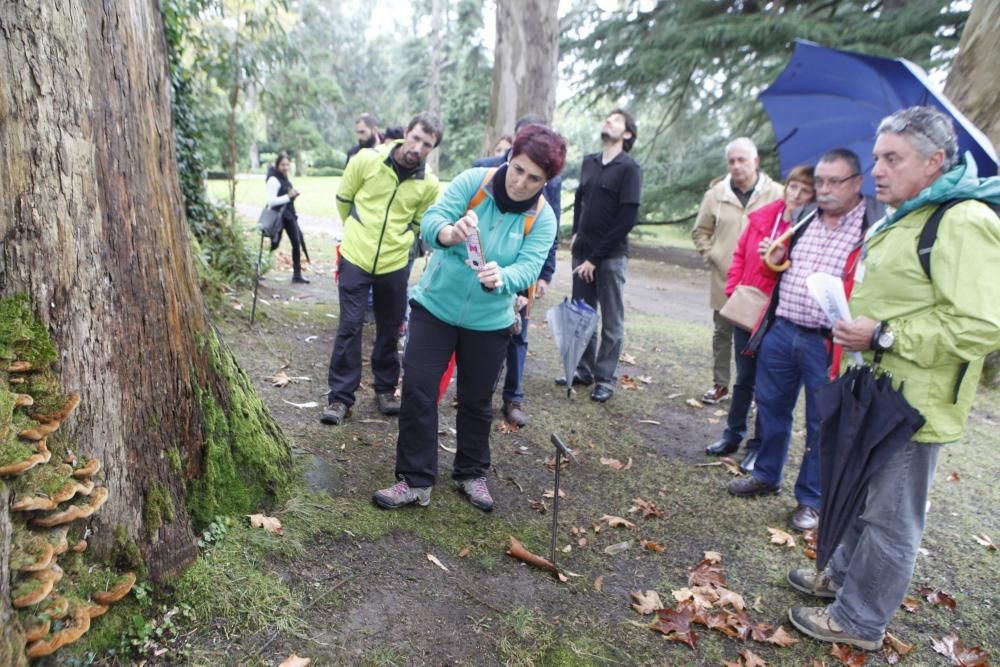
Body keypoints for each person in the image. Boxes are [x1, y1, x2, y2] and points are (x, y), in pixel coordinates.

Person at [786, 106, 1000, 650]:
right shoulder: (905, 213)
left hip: (915, 403)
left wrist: (884, 335)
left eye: (891, 158)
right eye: (877, 157)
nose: (877, 169)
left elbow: (980, 324)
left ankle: (859, 620)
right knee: (862, 495)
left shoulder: (963, 221)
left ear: (933, 163)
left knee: (891, 517)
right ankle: (839, 578)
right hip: (878, 389)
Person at [371, 124, 566, 512]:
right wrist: (447, 232)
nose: (522, 182)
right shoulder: (474, 183)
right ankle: (414, 479)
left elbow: (531, 265)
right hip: (436, 307)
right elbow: (432, 217)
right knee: (419, 389)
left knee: (477, 401)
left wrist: (505, 277)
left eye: (535, 178)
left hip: (490, 321)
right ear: (509, 158)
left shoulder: (542, 218)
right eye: (518, 169)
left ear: (547, 181)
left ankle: (471, 473)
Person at [727, 148, 884, 532]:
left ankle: (811, 499)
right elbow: (779, 268)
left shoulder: (872, 224)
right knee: (771, 407)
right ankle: (766, 474)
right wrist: (774, 257)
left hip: (826, 343)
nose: (824, 189)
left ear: (856, 183)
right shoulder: (805, 217)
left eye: (835, 181)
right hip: (783, 329)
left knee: (822, 421)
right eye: (820, 182)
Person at [321, 113, 443, 426]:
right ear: (405, 133)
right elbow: (343, 199)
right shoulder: (366, 160)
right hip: (356, 255)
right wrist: (357, 228)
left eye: (427, 144)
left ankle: (386, 389)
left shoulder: (428, 185)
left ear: (432, 149)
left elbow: (419, 223)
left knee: (390, 328)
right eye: (415, 138)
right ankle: (340, 397)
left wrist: (401, 248)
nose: (418, 147)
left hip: (394, 263)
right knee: (350, 324)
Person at [705, 166, 815, 472]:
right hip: (748, 308)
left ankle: (759, 446)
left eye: (804, 190)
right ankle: (732, 435)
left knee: (771, 388)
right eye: (792, 187)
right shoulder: (765, 216)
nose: (795, 194)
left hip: (780, 315)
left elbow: (796, 272)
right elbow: (741, 253)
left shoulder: (810, 226)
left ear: (814, 196)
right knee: (744, 379)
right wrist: (734, 289)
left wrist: (780, 258)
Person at [473, 114, 563, 426]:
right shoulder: (483, 170)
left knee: (518, 335)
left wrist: (544, 273)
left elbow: (552, 228)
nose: (523, 180)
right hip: (479, 271)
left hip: (522, 268)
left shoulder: (550, 178)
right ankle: (475, 390)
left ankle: (513, 398)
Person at [556, 109, 642, 403]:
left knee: (612, 320)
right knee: (582, 314)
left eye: (616, 120)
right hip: (584, 253)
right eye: (608, 118)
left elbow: (626, 219)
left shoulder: (629, 168)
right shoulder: (589, 162)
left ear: (627, 134)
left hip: (610, 256)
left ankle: (605, 379)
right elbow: (581, 199)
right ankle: (584, 369)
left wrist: (596, 257)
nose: (609, 121)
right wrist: (578, 233)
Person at [692, 138, 785, 405]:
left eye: (742, 160)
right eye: (731, 161)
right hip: (725, 277)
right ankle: (720, 385)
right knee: (722, 334)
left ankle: (754, 391)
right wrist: (712, 254)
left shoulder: (776, 194)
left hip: (760, 281)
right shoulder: (716, 195)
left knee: (757, 338)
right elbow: (700, 231)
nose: (736, 166)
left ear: (755, 162)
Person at [264, 153, 309, 284]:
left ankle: (297, 274)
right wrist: (289, 197)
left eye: (287, 164)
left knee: (296, 242)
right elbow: (271, 201)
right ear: (277, 165)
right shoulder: (273, 180)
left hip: (289, 216)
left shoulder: (284, 178)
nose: (285, 167)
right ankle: (259, 269)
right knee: (274, 244)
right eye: (283, 164)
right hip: (278, 217)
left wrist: (293, 194)